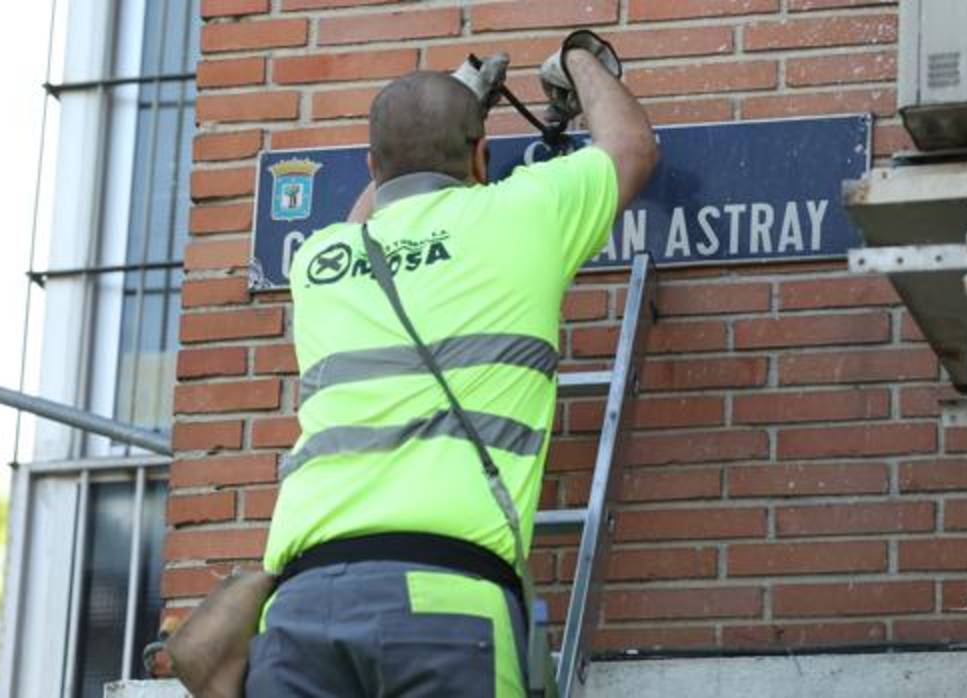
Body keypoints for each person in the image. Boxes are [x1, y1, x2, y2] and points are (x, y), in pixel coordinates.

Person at [169, 30, 657, 698]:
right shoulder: (523, 215)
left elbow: (369, 222)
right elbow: (629, 148)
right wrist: (579, 59)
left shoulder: (321, 261)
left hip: (303, 606)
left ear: (372, 165)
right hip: (446, 600)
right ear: (482, 155)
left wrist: (458, 94)